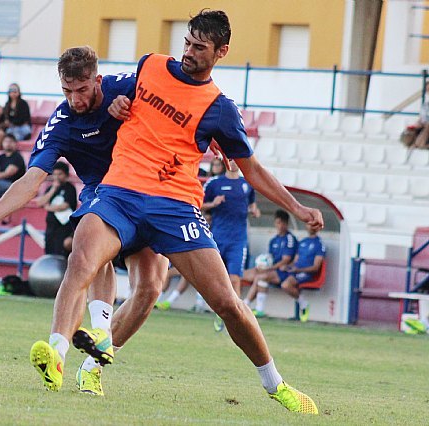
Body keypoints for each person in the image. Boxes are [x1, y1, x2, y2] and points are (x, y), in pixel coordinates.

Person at [25, 10, 322, 414]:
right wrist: (117, 107)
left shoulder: (219, 109)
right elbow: (104, 92)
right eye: (187, 42)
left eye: (199, 47)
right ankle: (59, 356)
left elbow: (252, 169)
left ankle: (276, 385)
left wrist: (297, 206)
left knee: (224, 302)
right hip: (121, 194)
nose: (188, 52)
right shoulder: (149, 66)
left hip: (175, 206)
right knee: (83, 258)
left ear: (221, 51)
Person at [0, 46, 170, 397]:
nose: (74, 99)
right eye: (67, 91)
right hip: (106, 193)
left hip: (150, 188)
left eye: (81, 90)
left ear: (97, 80)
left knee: (150, 289)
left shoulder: (126, 86)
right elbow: (31, 180)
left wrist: (210, 133)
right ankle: (57, 352)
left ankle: (95, 362)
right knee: (89, 254)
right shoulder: (62, 123)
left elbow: (175, 95)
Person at [203, 159, 260, 296]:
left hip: (238, 240)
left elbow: (252, 205)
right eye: (230, 160)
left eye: (236, 160)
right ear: (225, 163)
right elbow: (198, 204)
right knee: (213, 278)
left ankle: (234, 315)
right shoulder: (214, 183)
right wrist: (213, 204)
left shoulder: (247, 183)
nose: (233, 163)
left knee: (235, 279)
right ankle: (218, 311)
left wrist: (254, 211)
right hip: (217, 237)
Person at [256, 223, 325, 322]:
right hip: (294, 271)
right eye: (309, 225)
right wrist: (287, 267)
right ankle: (259, 310)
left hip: (306, 273)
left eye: (313, 225)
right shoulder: (302, 242)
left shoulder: (319, 244)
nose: (310, 227)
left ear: (318, 228)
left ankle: (304, 304)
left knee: (286, 285)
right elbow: (295, 261)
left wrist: (298, 270)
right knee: (263, 277)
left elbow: (316, 267)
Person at [243, 209, 298, 317]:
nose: (279, 225)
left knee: (260, 277)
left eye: (281, 223)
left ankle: (246, 305)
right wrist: (262, 266)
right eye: (277, 222)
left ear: (286, 224)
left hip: (283, 272)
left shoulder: (290, 239)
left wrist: (268, 268)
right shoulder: (274, 240)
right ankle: (251, 307)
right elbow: (270, 257)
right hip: (272, 269)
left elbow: (286, 260)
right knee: (243, 274)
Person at [35, 161, 77, 256]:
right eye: (55, 174)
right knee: (49, 252)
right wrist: (53, 189)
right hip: (50, 228)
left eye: (60, 174)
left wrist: (48, 207)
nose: (57, 177)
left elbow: (65, 206)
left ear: (66, 175)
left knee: (61, 253)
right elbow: (40, 203)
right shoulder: (51, 188)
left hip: (64, 228)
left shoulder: (70, 188)